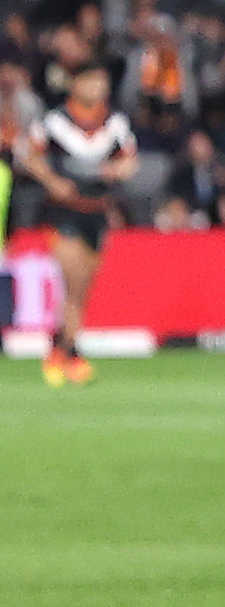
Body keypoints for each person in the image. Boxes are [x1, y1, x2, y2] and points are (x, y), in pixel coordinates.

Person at [22, 65, 138, 385]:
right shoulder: (54, 121)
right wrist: (52, 180)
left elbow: (130, 158)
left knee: (83, 288)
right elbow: (29, 155)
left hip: (97, 211)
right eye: (92, 80)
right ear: (76, 84)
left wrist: (120, 170)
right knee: (73, 280)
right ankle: (70, 353)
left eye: (103, 79)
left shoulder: (114, 122)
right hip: (63, 211)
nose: (99, 86)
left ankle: (61, 349)